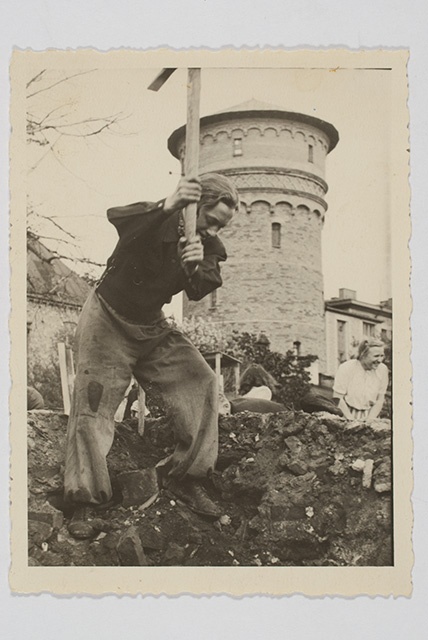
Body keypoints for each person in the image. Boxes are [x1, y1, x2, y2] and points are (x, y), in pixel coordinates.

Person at [64, 173, 239, 537]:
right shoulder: (154, 217)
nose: (212, 230)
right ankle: (85, 502)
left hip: (152, 325)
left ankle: (187, 477)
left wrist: (193, 262)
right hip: (107, 318)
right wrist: (168, 205)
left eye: (220, 225)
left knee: (201, 379)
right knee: (93, 404)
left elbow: (200, 287)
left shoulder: (208, 245)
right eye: (210, 220)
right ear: (195, 206)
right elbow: (126, 232)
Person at [332, 338, 389, 421]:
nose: (380, 360)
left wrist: (370, 419)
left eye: (382, 356)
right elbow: (337, 397)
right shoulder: (347, 368)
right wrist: (350, 420)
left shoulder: (382, 370)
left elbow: (380, 399)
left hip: (371, 415)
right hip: (346, 413)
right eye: (376, 356)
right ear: (363, 355)